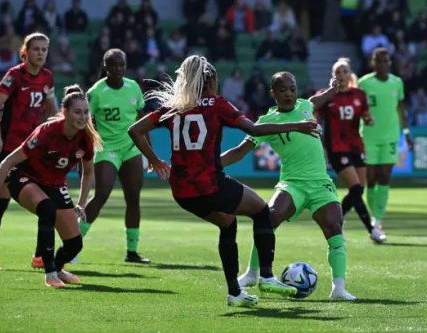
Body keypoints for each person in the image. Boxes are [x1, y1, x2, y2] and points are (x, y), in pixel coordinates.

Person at [128, 55, 320, 307]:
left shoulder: (174, 107)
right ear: (211, 80)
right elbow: (253, 129)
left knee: (228, 224)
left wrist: (154, 160)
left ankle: (235, 293)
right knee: (262, 210)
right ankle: (267, 276)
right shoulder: (217, 104)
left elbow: (135, 130)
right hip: (210, 184)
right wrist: (296, 126)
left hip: (182, 190)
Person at [221, 71, 357, 301]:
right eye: (282, 90)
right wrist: (210, 163)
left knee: (335, 227)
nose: (289, 94)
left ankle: (339, 289)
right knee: (269, 217)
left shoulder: (306, 106)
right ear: (273, 93)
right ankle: (253, 273)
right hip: (292, 183)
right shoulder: (266, 122)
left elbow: (324, 96)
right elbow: (239, 151)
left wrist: (334, 86)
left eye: (292, 89)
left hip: (320, 183)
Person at [0, 84, 102, 287]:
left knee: (74, 244)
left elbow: (88, 173)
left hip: (53, 184)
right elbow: (6, 162)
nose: (82, 117)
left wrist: (80, 203)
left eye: (86, 112)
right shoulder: (47, 132)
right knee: (47, 208)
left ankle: (59, 268)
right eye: (77, 112)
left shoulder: (85, 138)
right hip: (23, 177)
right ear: (65, 113)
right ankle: (50, 273)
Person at [0, 32, 58, 270]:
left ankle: (39, 256)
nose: (41, 53)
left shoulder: (47, 77)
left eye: (44, 49)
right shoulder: (15, 75)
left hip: (34, 148)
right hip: (11, 147)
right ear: (25, 52)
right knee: (1, 200)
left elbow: (52, 110)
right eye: (36, 49)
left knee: (46, 199)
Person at [76, 48, 150, 264]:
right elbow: (84, 123)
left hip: (131, 148)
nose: (118, 69)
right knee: (101, 195)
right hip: (107, 148)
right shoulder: (96, 93)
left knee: (133, 197)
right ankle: (74, 244)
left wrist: (149, 154)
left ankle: (132, 251)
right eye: (114, 65)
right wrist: (84, 151)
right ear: (105, 67)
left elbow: (142, 122)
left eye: (122, 64)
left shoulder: (133, 87)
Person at [315, 57, 386, 243]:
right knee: (355, 187)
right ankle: (372, 230)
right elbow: (314, 114)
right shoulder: (326, 95)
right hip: (336, 148)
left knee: (358, 191)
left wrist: (369, 120)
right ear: (333, 76)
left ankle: (337, 221)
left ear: (350, 74)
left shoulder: (359, 95)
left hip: (356, 146)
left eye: (344, 71)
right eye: (337, 72)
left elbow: (366, 115)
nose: (341, 75)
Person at [358, 48, 413, 236]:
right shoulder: (364, 83)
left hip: (390, 137)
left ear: (390, 63)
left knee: (385, 176)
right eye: (378, 61)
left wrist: (406, 133)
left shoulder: (397, 83)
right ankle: (374, 215)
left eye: (385, 61)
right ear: (373, 63)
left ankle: (377, 219)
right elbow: (358, 109)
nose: (382, 64)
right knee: (371, 179)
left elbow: (400, 109)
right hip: (369, 137)